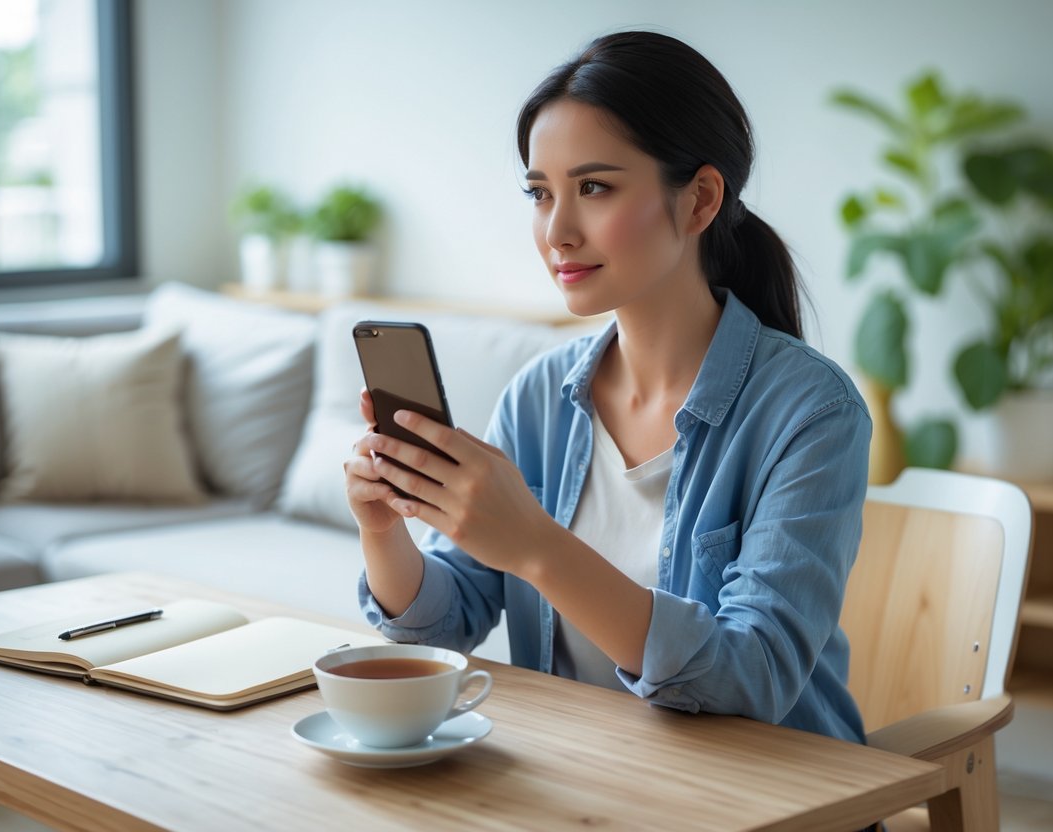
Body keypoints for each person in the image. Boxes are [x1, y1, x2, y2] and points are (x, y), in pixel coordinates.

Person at [344, 30, 871, 743]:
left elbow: (752, 679)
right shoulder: (538, 395)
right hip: (590, 782)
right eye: (539, 193)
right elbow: (445, 621)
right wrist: (382, 530)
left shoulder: (810, 412)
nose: (556, 230)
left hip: (768, 795)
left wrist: (537, 546)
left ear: (699, 200)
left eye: (593, 187)